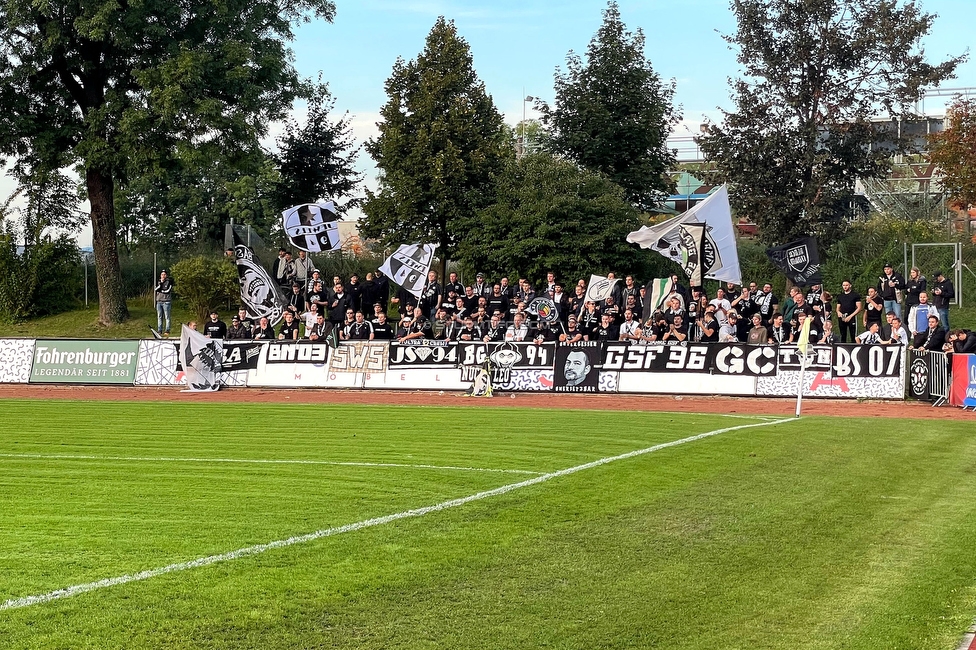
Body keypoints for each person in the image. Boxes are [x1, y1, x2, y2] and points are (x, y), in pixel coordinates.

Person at [154, 270, 173, 336]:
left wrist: (161, 290)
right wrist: (161, 284)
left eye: (164, 274)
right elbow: (156, 289)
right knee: (159, 317)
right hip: (159, 301)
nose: (163, 276)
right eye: (162, 274)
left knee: (167, 317)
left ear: (166, 275)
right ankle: (159, 330)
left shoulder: (169, 282)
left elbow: (168, 290)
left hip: (166, 302)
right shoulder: (158, 281)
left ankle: (167, 330)